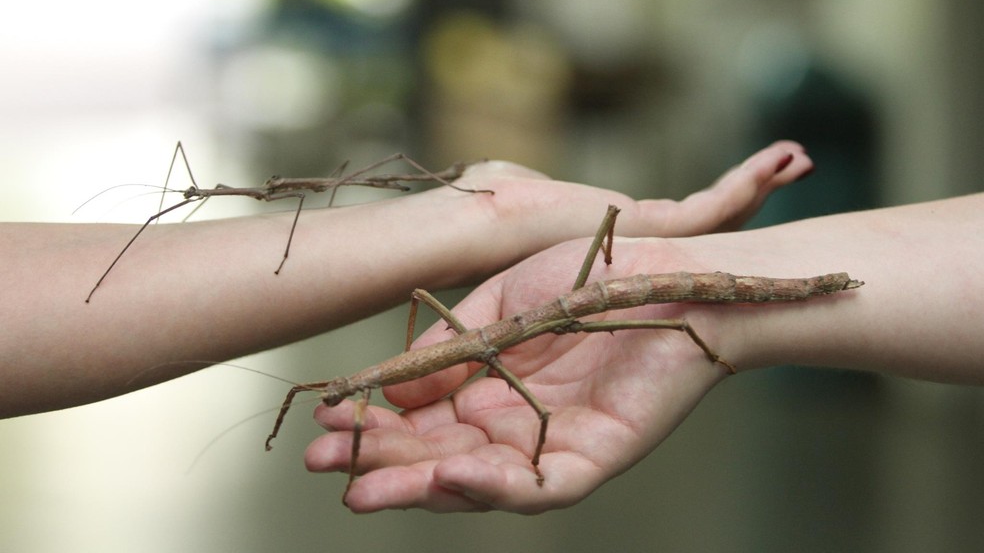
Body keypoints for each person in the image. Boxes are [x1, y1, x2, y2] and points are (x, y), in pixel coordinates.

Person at [0, 141, 812, 419]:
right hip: (550, 292)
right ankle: (478, 209)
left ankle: (479, 208)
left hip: (591, 298)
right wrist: (464, 225)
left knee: (671, 313)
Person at [304, 189, 984, 514]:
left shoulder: (495, 350)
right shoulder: (471, 347)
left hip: (609, 298)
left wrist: (538, 443)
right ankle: (797, 293)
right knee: (687, 317)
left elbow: (535, 413)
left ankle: (814, 288)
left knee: (690, 314)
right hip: (595, 303)